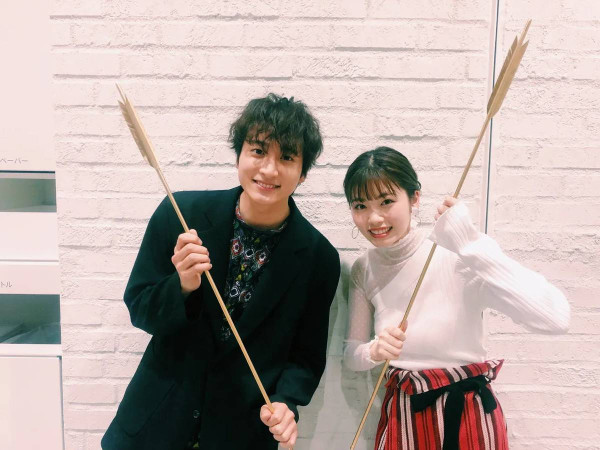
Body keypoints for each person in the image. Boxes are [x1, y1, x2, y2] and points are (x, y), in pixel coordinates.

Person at [102, 94, 341, 449]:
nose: (269, 169)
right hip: (156, 422)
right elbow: (140, 310)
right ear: (239, 155)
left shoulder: (319, 258)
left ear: (303, 172)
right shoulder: (180, 215)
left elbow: (305, 357)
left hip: (242, 430)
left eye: (287, 157)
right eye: (258, 151)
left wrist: (286, 402)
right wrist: (182, 285)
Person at [342, 146, 569, 450]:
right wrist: (375, 350)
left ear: (414, 198)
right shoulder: (364, 268)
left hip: (467, 416)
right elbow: (352, 354)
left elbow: (555, 317)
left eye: (386, 201)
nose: (374, 218)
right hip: (403, 415)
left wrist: (469, 241)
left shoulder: (456, 254)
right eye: (360, 206)